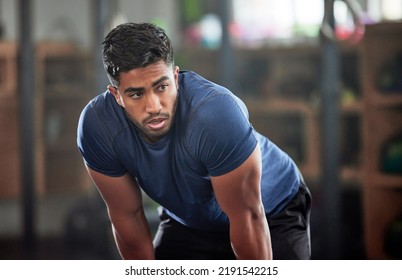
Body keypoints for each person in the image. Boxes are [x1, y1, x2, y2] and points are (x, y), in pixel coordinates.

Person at [77, 22, 311, 260]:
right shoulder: (99, 127)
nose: (154, 107)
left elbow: (247, 217)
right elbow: (127, 216)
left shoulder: (214, 114)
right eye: (136, 94)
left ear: (175, 77)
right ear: (116, 94)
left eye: (161, 87)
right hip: (190, 221)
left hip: (270, 211)